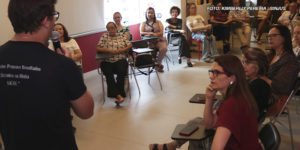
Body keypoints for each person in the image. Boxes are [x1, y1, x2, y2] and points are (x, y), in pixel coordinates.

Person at [0, 0, 94, 149]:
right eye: (54, 16)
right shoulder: (62, 64)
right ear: (45, 19)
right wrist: (72, 72)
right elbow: (86, 111)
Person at [149, 55, 262, 150]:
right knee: (196, 123)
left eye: (217, 73)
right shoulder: (235, 96)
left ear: (231, 78)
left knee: (195, 139)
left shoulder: (231, 105)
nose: (211, 77)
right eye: (211, 72)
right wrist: (209, 99)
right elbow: (209, 124)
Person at [261, 24, 299, 115]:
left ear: (284, 37)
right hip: (263, 94)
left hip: (275, 100)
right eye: (269, 36)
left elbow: (280, 87)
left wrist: (261, 77)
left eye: (274, 35)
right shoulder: (270, 56)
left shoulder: (290, 60)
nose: (270, 38)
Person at [96, 22, 132, 104]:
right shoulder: (104, 36)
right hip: (107, 60)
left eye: (112, 28)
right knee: (109, 74)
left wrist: (121, 50)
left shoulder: (121, 36)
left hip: (120, 59)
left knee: (121, 72)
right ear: (107, 30)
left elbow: (129, 45)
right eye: (108, 28)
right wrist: (108, 50)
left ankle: (118, 95)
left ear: (116, 28)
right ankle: (119, 95)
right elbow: (98, 48)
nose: (111, 30)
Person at [242, 47, 271, 123]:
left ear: (259, 64)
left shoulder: (259, 85)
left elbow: (244, 112)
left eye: (247, 63)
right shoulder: (251, 81)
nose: (243, 66)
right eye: (243, 62)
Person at [140, 7, 168, 72]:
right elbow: (141, 33)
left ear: (154, 14)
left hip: (159, 40)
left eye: (152, 13)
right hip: (149, 42)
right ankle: (154, 64)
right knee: (152, 50)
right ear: (146, 14)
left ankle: (158, 63)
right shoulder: (143, 23)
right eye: (148, 13)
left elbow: (161, 32)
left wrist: (153, 34)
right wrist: (149, 33)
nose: (150, 14)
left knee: (164, 48)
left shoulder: (158, 22)